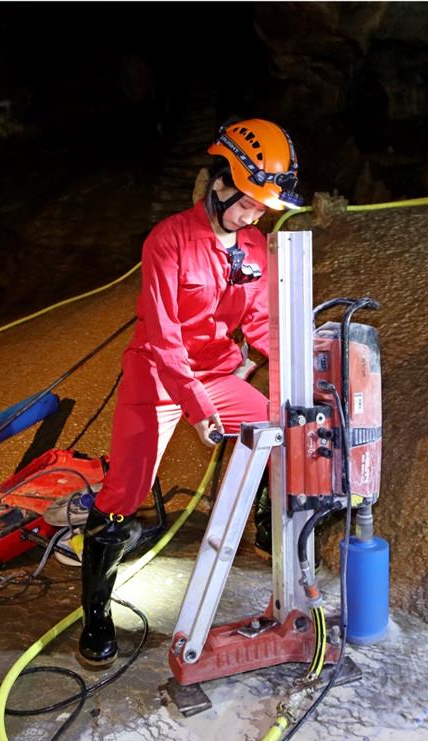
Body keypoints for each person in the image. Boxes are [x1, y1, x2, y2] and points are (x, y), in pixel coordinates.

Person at [79, 118, 302, 664]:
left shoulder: (252, 244)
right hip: (157, 379)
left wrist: (303, 358)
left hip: (217, 377)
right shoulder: (168, 241)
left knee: (281, 431)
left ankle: (273, 543)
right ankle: (96, 615)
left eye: (262, 207)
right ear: (219, 183)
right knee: (122, 496)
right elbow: (162, 334)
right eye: (248, 201)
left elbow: (260, 324)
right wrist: (196, 406)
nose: (255, 215)